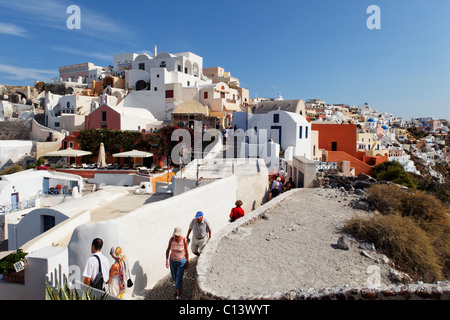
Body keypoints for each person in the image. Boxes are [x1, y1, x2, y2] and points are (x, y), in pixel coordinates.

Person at [165, 227, 189, 299]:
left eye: (177, 236)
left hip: (181, 261)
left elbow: (186, 252)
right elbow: (168, 250)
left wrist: (187, 261)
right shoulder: (171, 240)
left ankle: (178, 295)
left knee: (179, 277)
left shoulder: (184, 240)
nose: (176, 237)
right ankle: (179, 289)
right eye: (175, 235)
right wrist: (166, 260)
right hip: (172, 261)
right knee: (175, 277)